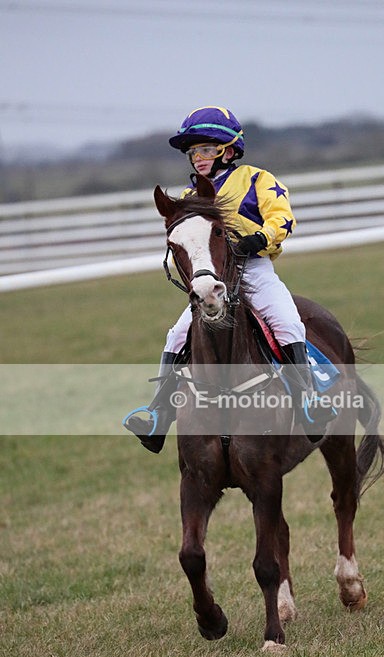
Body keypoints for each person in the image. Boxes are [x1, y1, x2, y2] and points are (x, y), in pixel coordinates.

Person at [123, 105, 335, 453]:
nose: (198, 158)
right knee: (176, 335)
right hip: (213, 279)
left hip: (254, 269)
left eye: (206, 149)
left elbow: (283, 218)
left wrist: (261, 239)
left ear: (229, 149)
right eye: (194, 152)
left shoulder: (257, 179)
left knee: (287, 323)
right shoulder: (190, 199)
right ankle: (158, 415)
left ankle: (308, 404)